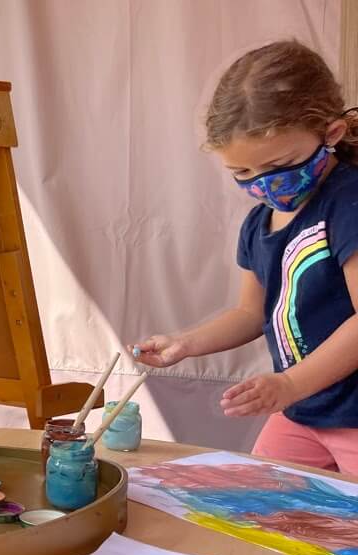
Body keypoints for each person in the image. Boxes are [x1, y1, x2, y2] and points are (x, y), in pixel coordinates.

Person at [133, 41, 358, 475]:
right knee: (262, 516)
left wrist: (290, 383)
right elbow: (249, 312)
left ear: (330, 135)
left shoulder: (348, 202)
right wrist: (186, 342)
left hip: (345, 412)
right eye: (243, 173)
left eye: (280, 164)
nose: (264, 185)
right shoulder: (259, 224)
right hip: (300, 410)